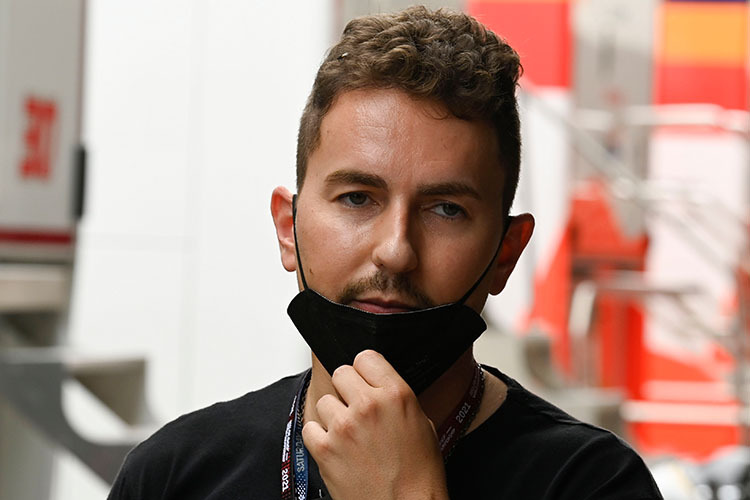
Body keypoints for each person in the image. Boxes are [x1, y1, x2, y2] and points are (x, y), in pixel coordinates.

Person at [108, 6, 663, 500]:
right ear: (288, 228)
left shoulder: (592, 483)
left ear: (506, 254)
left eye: (446, 209)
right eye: (357, 198)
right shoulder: (173, 475)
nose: (396, 251)